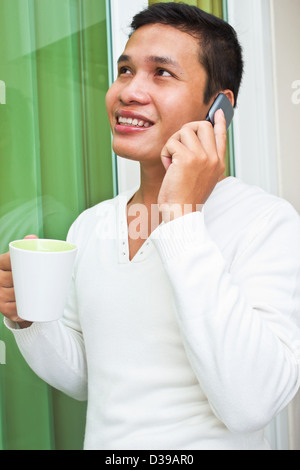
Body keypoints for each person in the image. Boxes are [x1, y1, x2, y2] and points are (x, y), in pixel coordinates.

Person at [1, 2, 300, 450]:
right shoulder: (91, 225)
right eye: (124, 70)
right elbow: (88, 378)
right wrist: (30, 322)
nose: (129, 91)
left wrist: (181, 219)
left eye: (161, 73)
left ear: (219, 107)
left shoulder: (266, 223)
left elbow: (250, 404)